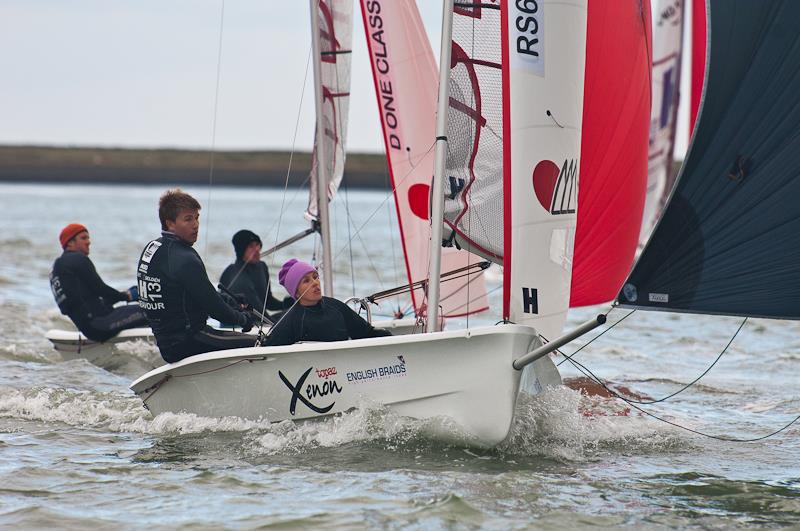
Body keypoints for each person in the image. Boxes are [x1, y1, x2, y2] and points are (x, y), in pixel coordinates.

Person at [136, 189, 257, 363]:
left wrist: (228, 299)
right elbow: (215, 309)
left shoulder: (152, 248)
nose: (195, 224)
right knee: (262, 344)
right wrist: (243, 320)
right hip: (191, 340)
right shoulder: (185, 257)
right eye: (188, 219)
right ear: (170, 223)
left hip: (167, 343)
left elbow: (190, 293)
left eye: (197, 217)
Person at [50, 223, 147, 342]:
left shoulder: (57, 269)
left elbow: (81, 301)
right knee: (153, 310)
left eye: (88, 238)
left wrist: (122, 296)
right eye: (83, 238)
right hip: (101, 325)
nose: (88, 242)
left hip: (90, 328)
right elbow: (101, 289)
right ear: (70, 243)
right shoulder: (77, 259)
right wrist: (127, 296)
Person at [262, 258, 392, 347]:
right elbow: (269, 350)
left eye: (315, 277)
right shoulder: (290, 320)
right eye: (306, 281)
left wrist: (391, 338)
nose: (315, 283)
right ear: (296, 292)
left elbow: (365, 333)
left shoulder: (336, 307)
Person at [218, 229, 291, 318]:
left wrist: (285, 305)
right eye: (251, 246)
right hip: (241, 322)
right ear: (241, 250)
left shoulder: (262, 266)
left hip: (260, 319)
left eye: (257, 244)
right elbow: (259, 313)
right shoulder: (235, 274)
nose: (256, 249)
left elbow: (267, 302)